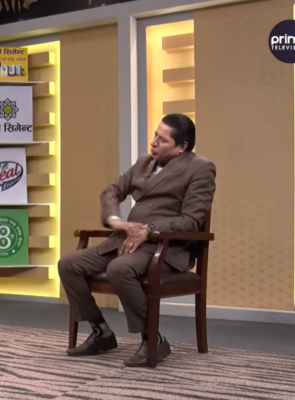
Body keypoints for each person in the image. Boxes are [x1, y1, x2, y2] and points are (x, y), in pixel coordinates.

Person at [58, 113, 215, 367]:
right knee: (69, 264)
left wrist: (150, 229)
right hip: (126, 241)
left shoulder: (201, 168)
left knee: (119, 268)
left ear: (182, 147)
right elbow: (112, 191)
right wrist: (116, 221)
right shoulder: (144, 162)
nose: (153, 142)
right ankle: (101, 332)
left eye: (162, 139)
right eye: (155, 135)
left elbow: (192, 220)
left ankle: (153, 339)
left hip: (164, 247)